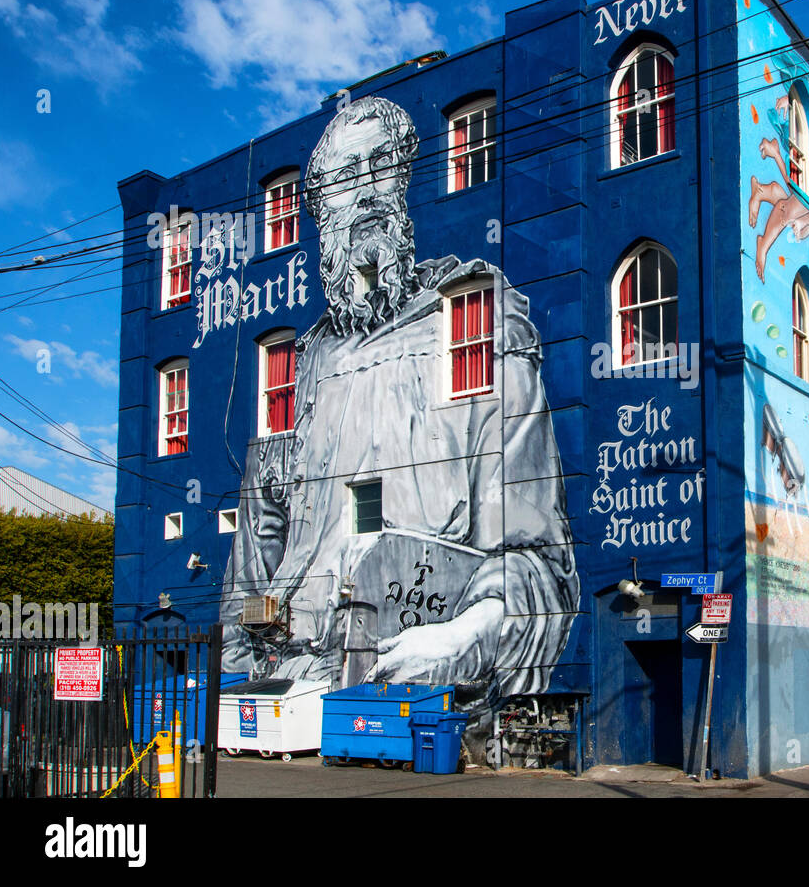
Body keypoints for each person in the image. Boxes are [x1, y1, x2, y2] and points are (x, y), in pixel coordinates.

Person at [219, 96, 580, 705]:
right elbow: (249, 571)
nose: (362, 192)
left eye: (379, 165)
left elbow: (539, 564)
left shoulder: (478, 317)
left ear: (405, 180)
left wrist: (457, 637)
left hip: (423, 689)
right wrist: (240, 688)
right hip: (290, 683)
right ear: (317, 209)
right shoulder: (304, 365)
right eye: (339, 179)